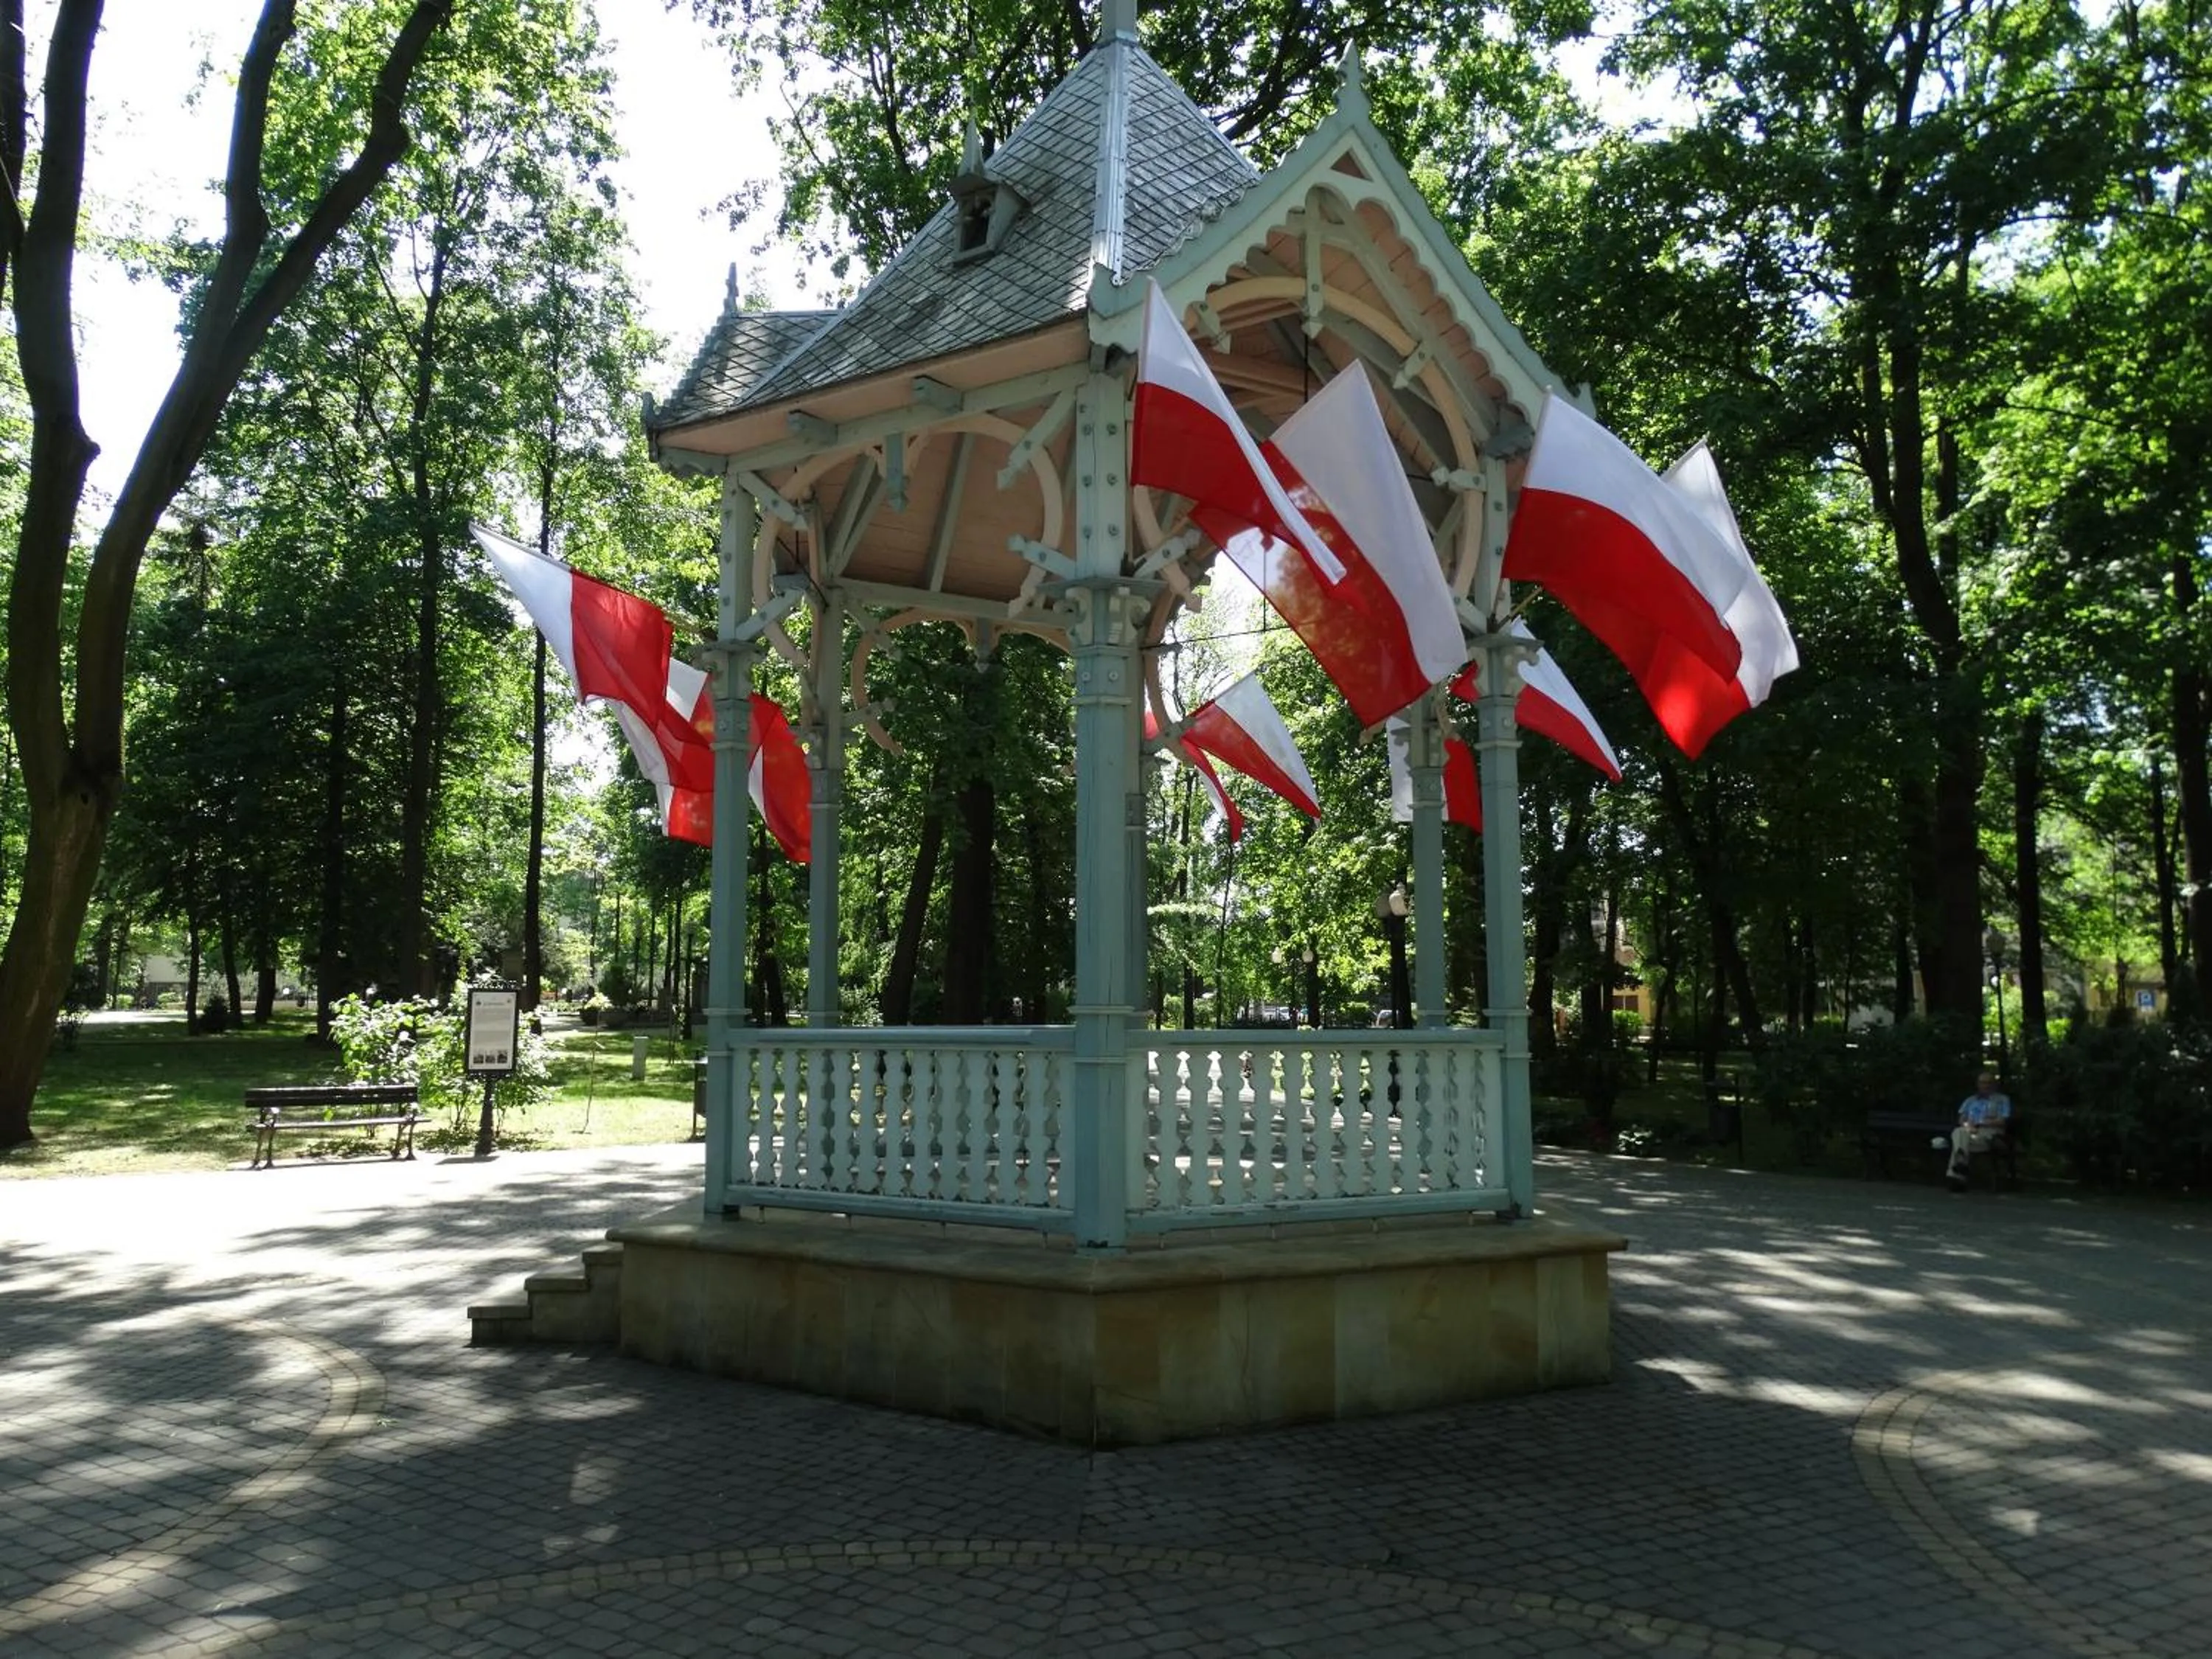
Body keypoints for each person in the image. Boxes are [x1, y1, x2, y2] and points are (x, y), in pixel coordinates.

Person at [1941, 1071, 2013, 1190]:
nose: (1986, 1086)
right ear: (1978, 1084)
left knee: (1959, 1142)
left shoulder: (2002, 1100)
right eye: (1983, 1083)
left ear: (1995, 1085)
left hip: (1990, 1134)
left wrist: (1980, 1123)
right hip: (1969, 1133)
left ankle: (1957, 1177)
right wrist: (1969, 1127)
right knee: (1959, 1132)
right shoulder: (1970, 1100)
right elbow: (1962, 1119)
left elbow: (2002, 1121)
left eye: (1989, 1083)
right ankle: (1960, 1166)